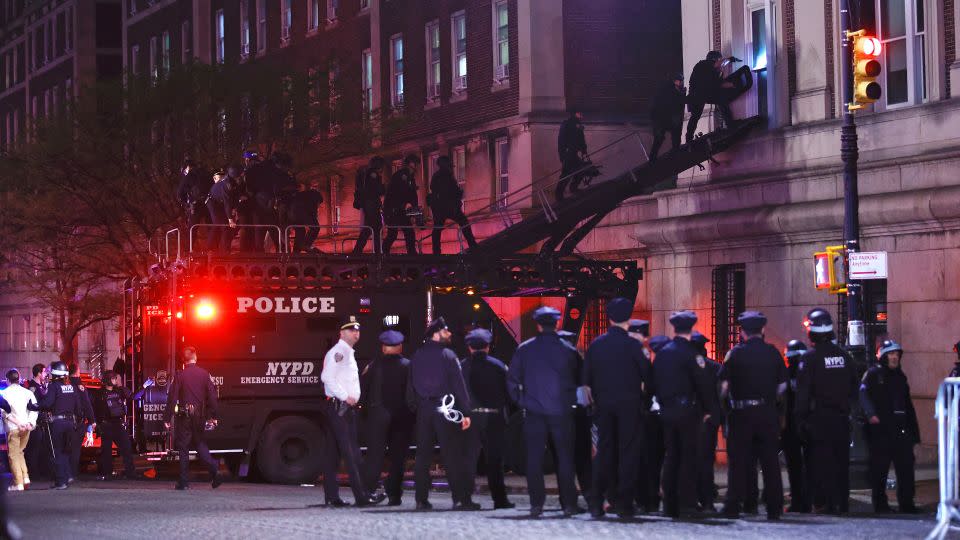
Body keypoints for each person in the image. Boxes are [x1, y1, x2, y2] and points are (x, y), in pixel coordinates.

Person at [507, 307, 582, 518]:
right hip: (562, 412)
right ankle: (568, 504)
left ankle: (536, 504)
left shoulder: (524, 349)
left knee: (534, 459)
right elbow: (580, 379)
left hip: (534, 413)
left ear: (538, 325)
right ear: (557, 324)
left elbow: (512, 381)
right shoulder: (568, 350)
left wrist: (523, 402)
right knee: (565, 459)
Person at [582, 298, 650, 519]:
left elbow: (586, 379)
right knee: (628, 454)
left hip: (604, 405)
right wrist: (645, 400)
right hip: (629, 405)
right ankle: (624, 503)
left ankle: (596, 501)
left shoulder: (597, 344)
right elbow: (647, 376)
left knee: (604, 452)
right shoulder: (633, 345)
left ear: (609, 318)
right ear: (628, 319)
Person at [718, 312, 786, 521]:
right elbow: (782, 387)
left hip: (741, 413)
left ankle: (734, 505)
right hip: (766, 413)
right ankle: (774, 508)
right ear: (762, 330)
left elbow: (724, 387)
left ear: (742, 332)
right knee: (770, 463)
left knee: (739, 462)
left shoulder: (735, 354)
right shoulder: (773, 353)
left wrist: (725, 407)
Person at [408, 317, 479, 511]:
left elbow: (410, 386)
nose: (449, 334)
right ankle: (461, 499)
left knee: (422, 456)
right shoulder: (448, 355)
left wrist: (417, 406)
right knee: (452, 454)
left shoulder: (417, 355)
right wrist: (466, 412)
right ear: (437, 333)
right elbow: (459, 386)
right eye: (446, 331)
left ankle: (421, 499)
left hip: (424, 410)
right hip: (445, 409)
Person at [651, 311, 717, 519]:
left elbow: (654, 382)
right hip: (688, 411)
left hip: (667, 410)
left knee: (671, 456)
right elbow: (703, 385)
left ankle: (669, 504)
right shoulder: (692, 354)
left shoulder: (663, 353)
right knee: (688, 457)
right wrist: (710, 410)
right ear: (691, 329)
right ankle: (686, 504)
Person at [795, 308, 858, 514]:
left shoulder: (810, 359)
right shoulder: (844, 356)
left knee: (818, 463)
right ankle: (841, 502)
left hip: (818, 420)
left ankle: (822, 502)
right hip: (840, 419)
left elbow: (803, 394)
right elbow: (853, 388)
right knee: (841, 462)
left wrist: (800, 421)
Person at [320, 316, 382, 507]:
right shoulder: (340, 352)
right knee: (352, 453)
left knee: (332, 454)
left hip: (336, 408)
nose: (356, 333)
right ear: (342, 333)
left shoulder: (346, 352)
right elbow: (327, 377)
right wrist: (345, 396)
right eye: (351, 330)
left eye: (357, 330)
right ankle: (362, 495)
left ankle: (332, 496)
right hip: (341, 408)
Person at [860, 339, 921, 513]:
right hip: (881, 431)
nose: (894, 357)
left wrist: (914, 433)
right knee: (879, 469)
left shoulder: (901, 377)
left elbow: (907, 405)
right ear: (883, 356)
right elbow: (863, 395)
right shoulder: (873, 374)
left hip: (900, 430)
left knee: (906, 468)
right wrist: (871, 415)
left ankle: (907, 504)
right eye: (891, 354)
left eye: (896, 354)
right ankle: (880, 505)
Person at [460, 328, 514, 509]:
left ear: (469, 347)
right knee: (495, 460)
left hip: (471, 417)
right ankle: (500, 499)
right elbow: (509, 393)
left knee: (468, 459)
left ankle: (465, 498)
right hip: (494, 417)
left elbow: (456, 393)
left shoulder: (462, 366)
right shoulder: (499, 366)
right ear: (488, 347)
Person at [360, 330, 415, 506]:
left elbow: (363, 391)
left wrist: (365, 413)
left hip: (378, 415)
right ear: (400, 347)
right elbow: (412, 394)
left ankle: (368, 492)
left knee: (374, 456)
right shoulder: (409, 366)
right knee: (398, 457)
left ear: (383, 347)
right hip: (402, 417)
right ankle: (394, 495)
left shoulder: (373, 366)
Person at [163, 346, 221, 490]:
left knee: (184, 448)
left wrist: (167, 418)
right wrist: (214, 416)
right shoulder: (204, 374)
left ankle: (184, 483)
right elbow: (212, 397)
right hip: (199, 416)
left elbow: (172, 398)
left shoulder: (180, 375)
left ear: (183, 360)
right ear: (195, 356)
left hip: (184, 416)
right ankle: (214, 469)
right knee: (200, 444)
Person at [29, 361, 84, 490]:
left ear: (55, 373)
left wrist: (33, 406)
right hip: (70, 423)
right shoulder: (72, 387)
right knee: (65, 452)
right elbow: (79, 408)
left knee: (57, 453)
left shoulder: (54, 387)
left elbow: (47, 404)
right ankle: (67, 476)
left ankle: (61, 481)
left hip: (58, 423)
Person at [685, 51, 752, 143]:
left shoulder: (704, 66)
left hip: (700, 94)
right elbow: (718, 82)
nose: (721, 64)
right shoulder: (707, 67)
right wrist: (732, 84)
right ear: (715, 60)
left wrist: (729, 60)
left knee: (698, 115)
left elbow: (718, 72)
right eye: (719, 60)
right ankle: (729, 123)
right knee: (718, 101)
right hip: (698, 95)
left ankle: (689, 138)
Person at [690, 331, 722, 513]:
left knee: (688, 460)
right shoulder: (715, 368)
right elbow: (721, 395)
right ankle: (707, 500)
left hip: (690, 418)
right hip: (709, 421)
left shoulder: (685, 366)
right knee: (706, 460)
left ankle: (690, 498)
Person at [782, 339, 812, 513]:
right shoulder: (810, 373)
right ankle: (809, 500)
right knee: (810, 465)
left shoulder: (785, 375)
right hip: (807, 423)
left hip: (790, 426)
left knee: (794, 466)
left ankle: (798, 500)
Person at [92, 370, 137, 481]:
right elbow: (95, 410)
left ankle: (130, 472)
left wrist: (145, 387)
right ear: (107, 379)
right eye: (113, 378)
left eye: (115, 378)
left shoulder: (120, 391)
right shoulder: (99, 394)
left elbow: (133, 397)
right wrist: (96, 424)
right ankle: (107, 473)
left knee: (126, 448)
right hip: (106, 425)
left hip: (118, 424)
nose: (115, 380)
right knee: (106, 451)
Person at [428, 155, 478, 254]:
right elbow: (451, 191)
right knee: (463, 222)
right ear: (445, 165)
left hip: (440, 208)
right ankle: (472, 244)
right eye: (449, 165)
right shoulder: (446, 176)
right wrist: (458, 195)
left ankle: (436, 251)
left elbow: (434, 189)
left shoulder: (437, 176)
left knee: (437, 228)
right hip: (448, 207)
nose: (451, 167)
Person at [2, 369, 37, 490]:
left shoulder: (4, 393)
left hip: (13, 428)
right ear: (19, 379)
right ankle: (25, 477)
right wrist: (29, 423)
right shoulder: (27, 393)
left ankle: (18, 483)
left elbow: (5, 413)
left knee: (13, 455)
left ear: (7, 380)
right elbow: (34, 409)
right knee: (20, 452)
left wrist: (18, 423)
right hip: (26, 428)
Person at [383, 154, 421, 255]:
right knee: (395, 233)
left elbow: (412, 195)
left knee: (407, 232)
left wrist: (415, 210)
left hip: (400, 210)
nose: (417, 166)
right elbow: (399, 193)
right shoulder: (402, 176)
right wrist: (407, 206)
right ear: (410, 164)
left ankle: (411, 252)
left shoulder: (409, 178)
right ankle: (384, 252)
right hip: (394, 210)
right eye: (415, 163)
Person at [649, 73, 687, 163]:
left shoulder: (666, 89)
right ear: (676, 81)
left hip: (662, 118)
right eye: (680, 80)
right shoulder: (672, 90)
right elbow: (677, 102)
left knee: (660, 138)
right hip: (667, 117)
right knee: (673, 136)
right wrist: (683, 94)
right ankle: (674, 154)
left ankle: (653, 158)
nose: (681, 82)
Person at [353, 156, 386, 254]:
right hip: (371, 204)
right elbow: (376, 190)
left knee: (369, 228)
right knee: (376, 227)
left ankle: (358, 250)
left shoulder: (365, 174)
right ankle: (377, 252)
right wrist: (384, 188)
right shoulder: (373, 174)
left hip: (367, 203)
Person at [68, 364, 96, 481]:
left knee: (64, 449)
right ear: (77, 372)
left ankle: (63, 472)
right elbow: (87, 404)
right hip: (77, 423)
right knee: (75, 450)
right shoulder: (80, 386)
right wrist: (92, 420)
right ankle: (72, 473)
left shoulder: (64, 384)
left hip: (63, 421)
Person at [177, 158, 213, 246]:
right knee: (211, 227)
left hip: (195, 205)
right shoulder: (207, 173)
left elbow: (180, 193)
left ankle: (189, 250)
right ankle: (213, 249)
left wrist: (186, 203)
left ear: (187, 167)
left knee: (192, 229)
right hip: (209, 204)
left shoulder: (188, 176)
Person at [23, 363, 49, 481]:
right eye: (44, 372)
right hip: (35, 423)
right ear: (39, 373)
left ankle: (42, 471)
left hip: (43, 423)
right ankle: (34, 474)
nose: (45, 374)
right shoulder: (32, 387)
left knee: (43, 449)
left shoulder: (43, 386)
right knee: (34, 449)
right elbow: (32, 405)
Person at [556, 108, 589, 201]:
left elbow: (581, 139)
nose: (582, 115)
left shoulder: (577, 125)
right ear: (576, 113)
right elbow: (562, 141)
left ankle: (570, 189)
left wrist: (583, 149)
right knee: (567, 173)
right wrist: (563, 155)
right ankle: (560, 194)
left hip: (571, 153)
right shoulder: (568, 124)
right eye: (580, 113)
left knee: (580, 169)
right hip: (568, 153)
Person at [288, 179, 324, 253]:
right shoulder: (315, 197)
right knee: (315, 227)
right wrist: (314, 217)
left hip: (292, 215)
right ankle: (306, 244)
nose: (318, 207)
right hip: (302, 213)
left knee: (300, 231)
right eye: (319, 205)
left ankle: (296, 251)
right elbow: (313, 211)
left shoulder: (301, 195)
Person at [205, 167, 235, 253]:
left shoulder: (226, 183)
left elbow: (231, 200)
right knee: (222, 225)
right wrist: (230, 219)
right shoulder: (225, 185)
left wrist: (232, 211)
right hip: (213, 203)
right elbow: (227, 202)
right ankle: (220, 249)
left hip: (218, 204)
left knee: (220, 225)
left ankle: (217, 248)